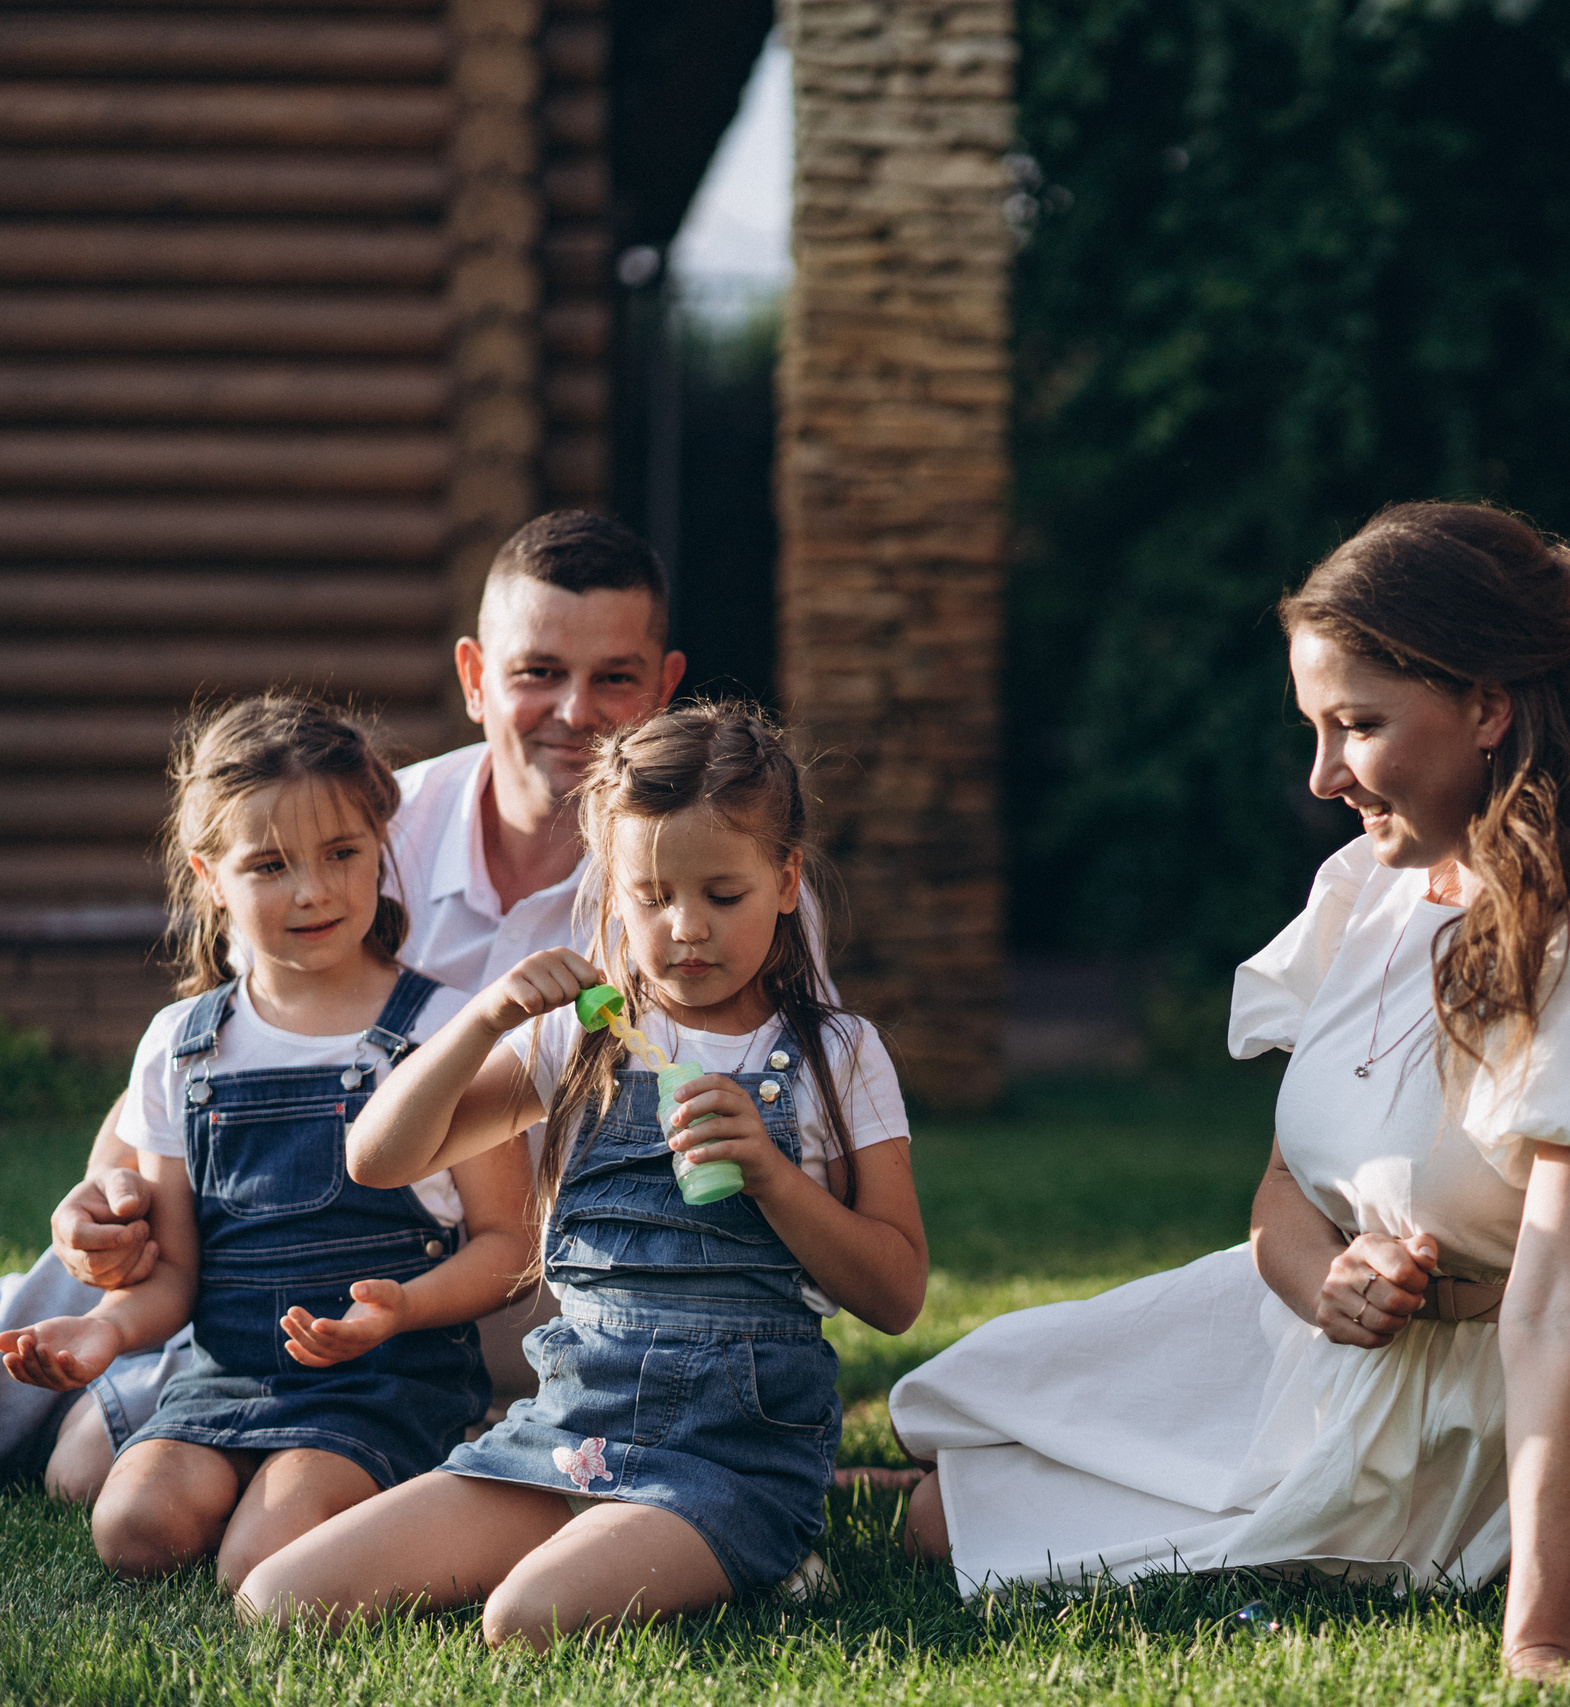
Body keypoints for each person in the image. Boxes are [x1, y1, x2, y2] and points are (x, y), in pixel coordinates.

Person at [886, 503, 1570, 1682]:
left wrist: (1541, 1642)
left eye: (1357, 726)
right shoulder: (1365, 885)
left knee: (949, 1528)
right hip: (1311, 1338)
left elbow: (1564, 1294)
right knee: (947, 1465)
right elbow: (1280, 1187)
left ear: (1488, 707)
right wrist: (1325, 1284)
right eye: (1315, 728)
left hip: (1460, 1420)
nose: (1321, 776)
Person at [10, 512, 693, 1496]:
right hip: (283, 1253)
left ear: (664, 687)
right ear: (475, 678)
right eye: (538, 671)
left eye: (614, 678)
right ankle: (146, 1378)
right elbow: (218, 1047)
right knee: (90, 1341)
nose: (573, 711)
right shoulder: (356, 820)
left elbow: (778, 1097)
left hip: (527, 1271)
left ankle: (239, 1406)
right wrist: (103, 1194)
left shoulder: (697, 881)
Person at [239, 703, 926, 1649]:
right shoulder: (581, 1036)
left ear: (785, 878)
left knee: (524, 1619)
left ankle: (763, 1541)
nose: (686, 928)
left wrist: (772, 1174)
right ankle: (601, 1533)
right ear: (612, 891)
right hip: (569, 1429)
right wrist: (479, 1022)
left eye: (723, 894)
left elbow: (895, 1293)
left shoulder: (836, 1054)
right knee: (279, 1596)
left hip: (729, 1452)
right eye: (650, 895)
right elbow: (378, 1156)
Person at [0, 698, 535, 1587]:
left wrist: (400, 1307)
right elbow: (174, 1274)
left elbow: (508, 1244)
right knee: (131, 1528)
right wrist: (102, 1335)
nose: (313, 890)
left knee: (259, 1557)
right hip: (226, 1375)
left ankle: (383, 1484)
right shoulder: (182, 1043)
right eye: (269, 865)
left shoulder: (444, 1031)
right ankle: (262, 1481)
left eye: (341, 854)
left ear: (380, 842)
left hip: (389, 1380)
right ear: (210, 874)